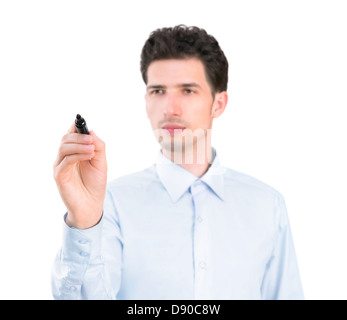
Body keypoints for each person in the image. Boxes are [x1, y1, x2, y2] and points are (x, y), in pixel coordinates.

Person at [52, 25, 304, 300]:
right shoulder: (111, 204)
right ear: (146, 101)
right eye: (158, 91)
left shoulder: (267, 206)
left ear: (218, 104)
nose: (170, 108)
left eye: (187, 90)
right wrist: (85, 221)